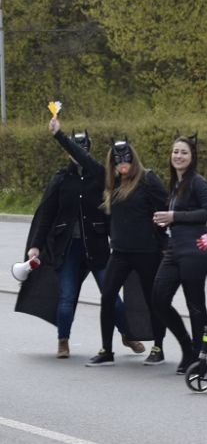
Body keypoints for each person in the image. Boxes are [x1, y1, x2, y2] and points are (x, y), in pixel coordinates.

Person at [51, 124, 169, 367]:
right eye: (117, 159)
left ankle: (158, 346)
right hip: (121, 253)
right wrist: (59, 135)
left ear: (133, 158)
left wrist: (163, 237)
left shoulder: (147, 180)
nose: (122, 162)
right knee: (107, 297)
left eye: (126, 158)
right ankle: (107, 349)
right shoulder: (110, 181)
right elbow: (83, 157)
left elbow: (166, 208)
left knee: (152, 299)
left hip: (147, 252)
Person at [23, 124, 144, 358]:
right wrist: (35, 245)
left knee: (111, 295)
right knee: (67, 296)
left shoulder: (100, 176)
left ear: (89, 150)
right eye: (76, 149)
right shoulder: (60, 178)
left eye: (84, 149)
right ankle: (63, 340)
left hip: (96, 246)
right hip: (68, 248)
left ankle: (128, 334)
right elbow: (46, 213)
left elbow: (114, 212)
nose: (79, 153)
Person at [150, 134, 207, 373]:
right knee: (158, 299)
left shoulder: (197, 181)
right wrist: (166, 221)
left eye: (184, 152)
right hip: (174, 249)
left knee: (195, 305)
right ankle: (187, 347)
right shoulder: (175, 183)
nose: (178, 156)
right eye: (175, 152)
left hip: (194, 250)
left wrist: (175, 217)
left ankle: (200, 357)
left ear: (192, 156)